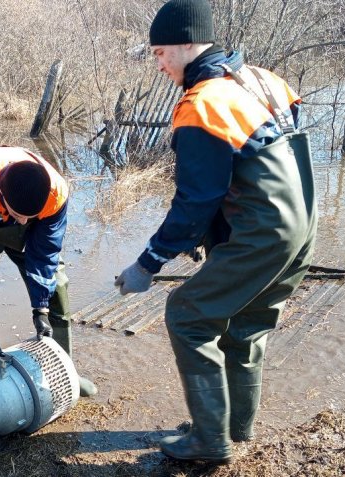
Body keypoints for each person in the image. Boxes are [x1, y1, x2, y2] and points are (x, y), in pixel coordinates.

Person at [113, 0, 317, 464]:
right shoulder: (263, 79)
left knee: (186, 314)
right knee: (248, 323)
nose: (158, 63)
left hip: (263, 233)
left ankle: (210, 441)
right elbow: (262, 164)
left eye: (161, 52)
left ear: (188, 42)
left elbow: (196, 202)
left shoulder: (202, 105)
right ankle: (234, 427)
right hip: (302, 223)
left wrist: (148, 263)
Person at [0, 145, 98, 397]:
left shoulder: (56, 192)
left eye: (30, 215)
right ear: (2, 196)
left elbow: (46, 251)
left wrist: (41, 308)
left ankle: (65, 371)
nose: (24, 220)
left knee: (56, 285)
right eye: (19, 214)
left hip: (31, 237)